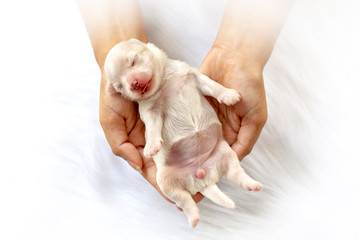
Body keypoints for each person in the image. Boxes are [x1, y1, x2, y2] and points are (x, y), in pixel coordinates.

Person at [77, 0, 293, 204]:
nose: (131, 82)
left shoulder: (179, 69)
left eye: (133, 62)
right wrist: (114, 41)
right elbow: (152, 120)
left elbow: (201, 82)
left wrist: (240, 54)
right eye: (121, 85)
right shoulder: (141, 99)